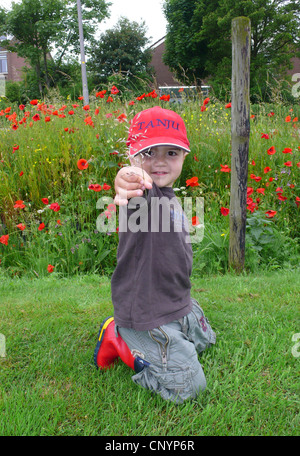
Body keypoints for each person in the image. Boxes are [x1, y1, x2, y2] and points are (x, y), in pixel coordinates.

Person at [94, 106, 216, 403]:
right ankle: (119, 339)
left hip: (175, 300)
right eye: (149, 153)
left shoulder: (171, 197)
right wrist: (127, 178)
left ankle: (172, 329)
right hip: (146, 313)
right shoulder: (141, 194)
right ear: (133, 156)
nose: (160, 161)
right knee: (189, 386)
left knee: (206, 341)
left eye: (172, 153)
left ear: (184, 157)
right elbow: (127, 181)